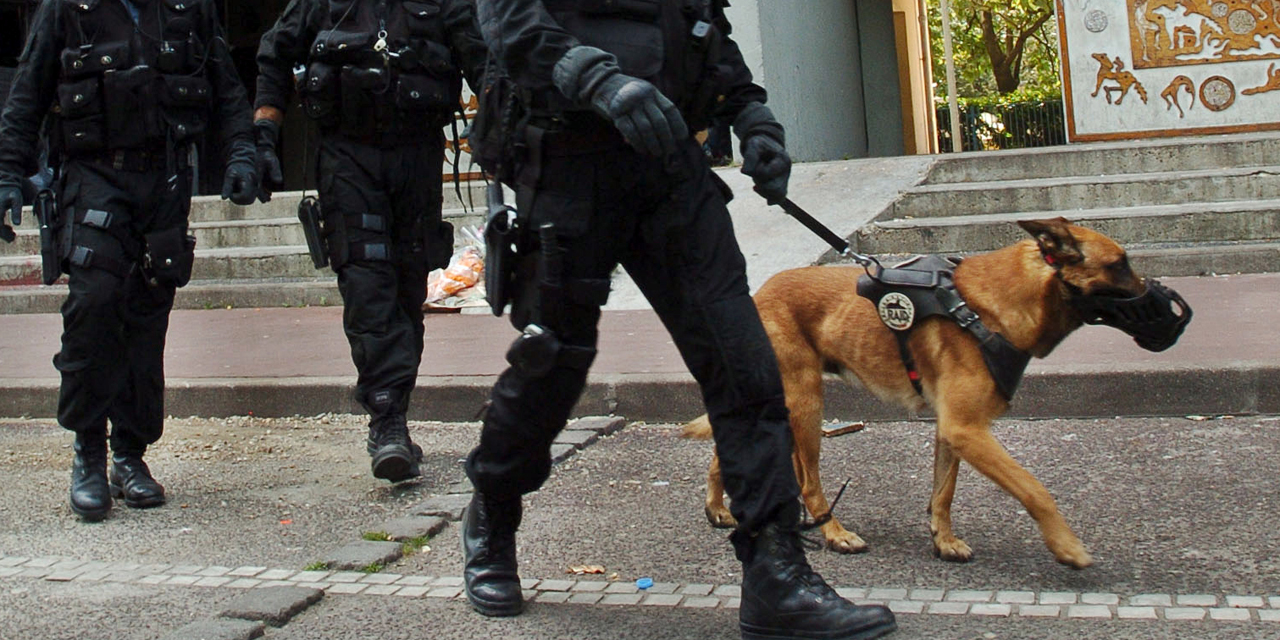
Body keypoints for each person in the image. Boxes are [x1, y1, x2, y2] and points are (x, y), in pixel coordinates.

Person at [461, 2, 898, 639]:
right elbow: (510, 22)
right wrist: (599, 80)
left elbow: (707, 31)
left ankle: (776, 573)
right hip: (568, 165)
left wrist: (752, 118)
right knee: (550, 365)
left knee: (746, 363)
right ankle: (493, 514)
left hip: (671, 174)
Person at [0, 0, 259, 521]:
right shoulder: (66, 9)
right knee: (94, 305)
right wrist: (7, 171)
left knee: (146, 316)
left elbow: (228, 92)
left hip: (164, 181)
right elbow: (27, 94)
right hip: (93, 175)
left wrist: (242, 154)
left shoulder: (189, 8)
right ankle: (89, 453)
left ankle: (129, 455)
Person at [254, 0, 487, 482]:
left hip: (417, 157)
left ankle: (394, 409)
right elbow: (275, 53)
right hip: (348, 156)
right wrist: (261, 136)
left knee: (407, 287)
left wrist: (498, 127)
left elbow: (484, 62)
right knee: (367, 283)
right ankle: (386, 418)